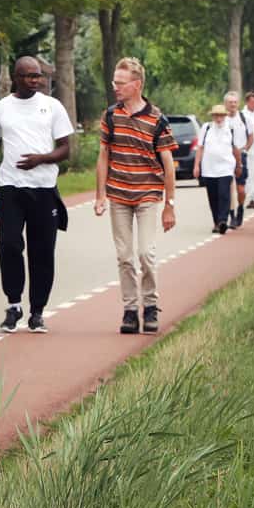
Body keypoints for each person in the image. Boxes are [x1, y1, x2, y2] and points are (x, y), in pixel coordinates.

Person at [0, 56, 74, 335]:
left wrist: (42, 159)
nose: (37, 80)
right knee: (8, 245)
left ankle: (37, 312)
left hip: (44, 189)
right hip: (11, 189)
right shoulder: (0, 109)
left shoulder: (52, 106)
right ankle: (13, 304)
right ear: (16, 79)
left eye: (39, 76)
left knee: (42, 252)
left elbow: (66, 148)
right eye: (30, 76)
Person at [94, 57, 177, 334]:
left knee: (145, 253)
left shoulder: (157, 119)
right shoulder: (111, 116)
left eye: (120, 83)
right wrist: (100, 195)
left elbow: (167, 165)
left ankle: (151, 305)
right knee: (125, 256)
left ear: (136, 84)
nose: (115, 87)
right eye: (114, 82)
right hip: (118, 194)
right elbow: (104, 154)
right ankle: (130, 310)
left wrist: (170, 205)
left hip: (147, 195)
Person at [196, 103, 240, 235]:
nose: (219, 119)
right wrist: (196, 165)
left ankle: (222, 221)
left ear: (225, 116)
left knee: (224, 194)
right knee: (213, 196)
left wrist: (239, 165)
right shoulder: (206, 128)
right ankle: (216, 222)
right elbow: (200, 147)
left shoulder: (231, 128)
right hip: (209, 168)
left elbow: (236, 149)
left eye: (221, 116)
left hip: (226, 168)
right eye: (216, 116)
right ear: (213, 117)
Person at [223, 91, 250, 229]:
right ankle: (232, 216)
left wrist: (245, 148)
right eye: (230, 102)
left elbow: (251, 136)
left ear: (238, 103)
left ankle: (240, 207)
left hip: (241, 156)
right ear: (225, 104)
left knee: (240, 189)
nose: (232, 105)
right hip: (226, 157)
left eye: (234, 102)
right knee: (229, 188)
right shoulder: (222, 119)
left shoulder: (244, 118)